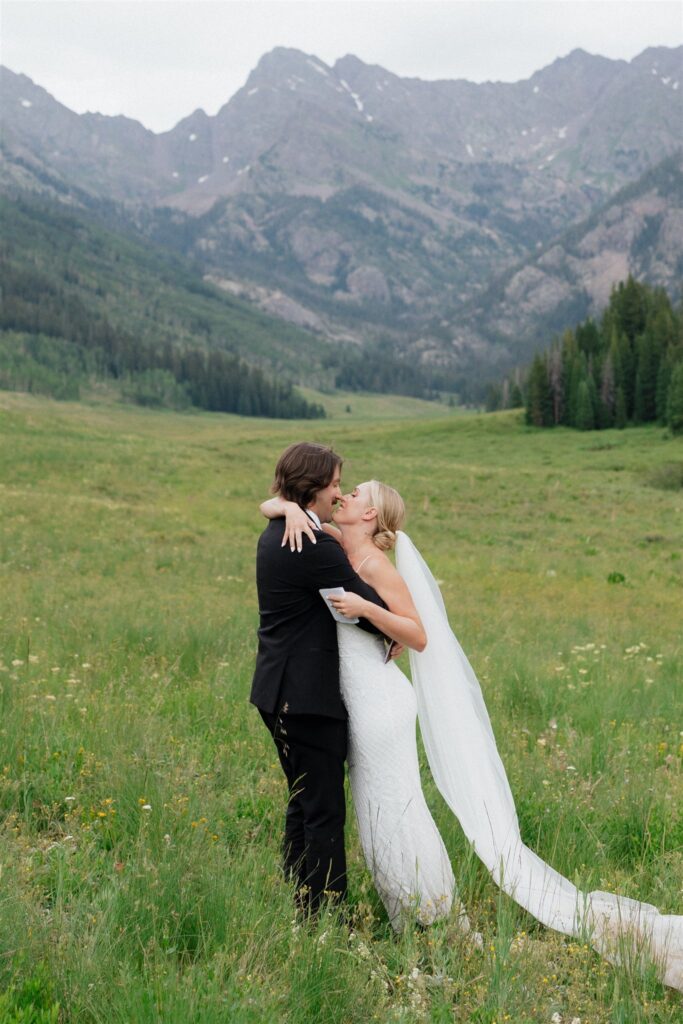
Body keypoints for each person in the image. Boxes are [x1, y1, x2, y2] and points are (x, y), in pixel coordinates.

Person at [262, 479, 683, 991]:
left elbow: (417, 634)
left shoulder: (375, 566)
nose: (344, 494)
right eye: (342, 490)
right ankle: (409, 911)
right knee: (375, 813)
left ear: (371, 514)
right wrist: (285, 505)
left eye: (356, 492)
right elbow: (270, 505)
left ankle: (435, 915)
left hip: (380, 706)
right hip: (354, 696)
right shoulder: (328, 541)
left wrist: (369, 611)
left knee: (396, 806)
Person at [251, 443, 389, 915]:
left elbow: (275, 504)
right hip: (306, 698)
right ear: (312, 487)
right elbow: (372, 607)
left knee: (302, 800)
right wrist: (389, 624)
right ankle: (326, 914)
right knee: (323, 808)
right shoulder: (313, 541)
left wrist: (285, 505)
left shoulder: (278, 528)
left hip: (276, 689)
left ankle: (299, 899)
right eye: (333, 483)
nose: (337, 492)